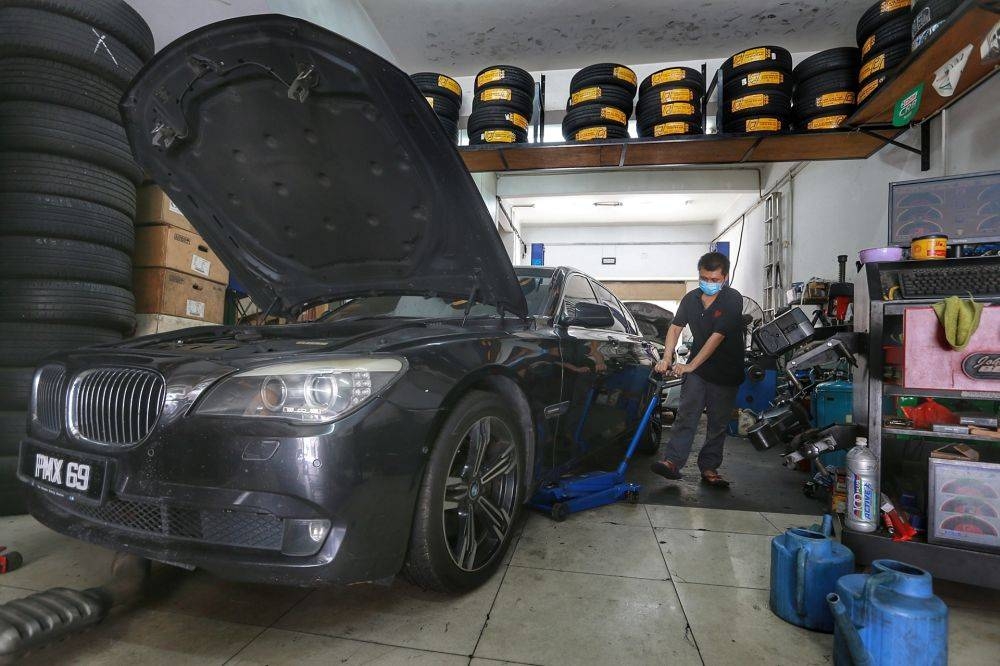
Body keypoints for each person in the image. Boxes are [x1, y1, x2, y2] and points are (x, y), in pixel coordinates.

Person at [650, 251, 745, 487]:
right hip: (699, 373)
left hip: (725, 371)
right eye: (705, 278)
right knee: (686, 415)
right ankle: (672, 462)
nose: (709, 283)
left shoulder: (732, 299)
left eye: (715, 280)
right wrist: (667, 357)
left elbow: (717, 336)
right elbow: (675, 328)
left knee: (717, 424)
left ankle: (710, 468)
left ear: (725, 277)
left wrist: (690, 365)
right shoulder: (690, 299)